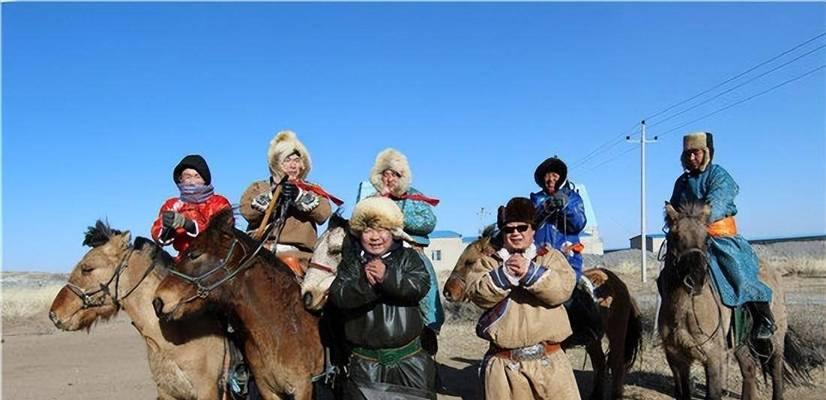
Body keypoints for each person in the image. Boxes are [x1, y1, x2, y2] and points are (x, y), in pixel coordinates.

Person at [465, 197, 579, 400]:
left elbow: (563, 290)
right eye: (509, 229)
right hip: (505, 368)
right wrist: (504, 275)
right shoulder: (488, 262)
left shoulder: (550, 257)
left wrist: (531, 272)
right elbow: (477, 294)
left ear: (533, 229)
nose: (516, 233)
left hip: (551, 364)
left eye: (522, 227)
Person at [669, 131, 775, 340]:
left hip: (720, 236)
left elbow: (717, 203)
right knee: (668, 273)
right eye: (688, 154)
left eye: (696, 153)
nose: (692, 158)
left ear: (707, 153)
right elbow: (674, 205)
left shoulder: (719, 175)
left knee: (737, 271)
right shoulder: (681, 182)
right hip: (691, 239)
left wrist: (697, 219)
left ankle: (764, 318)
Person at [329, 197, 435, 399]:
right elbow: (338, 296)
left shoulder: (409, 258)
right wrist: (366, 284)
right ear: (359, 234)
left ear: (393, 232)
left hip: (410, 361)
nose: (375, 237)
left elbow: (420, 286)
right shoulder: (351, 264)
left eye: (382, 230)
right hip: (364, 364)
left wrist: (387, 277)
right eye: (368, 230)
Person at [357, 148, 444, 354]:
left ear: (402, 177)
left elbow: (429, 222)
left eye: (394, 174)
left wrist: (396, 215)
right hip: (376, 254)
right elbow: (359, 222)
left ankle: (430, 326)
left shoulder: (414, 196)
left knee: (426, 286)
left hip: (410, 250)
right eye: (385, 174)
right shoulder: (370, 198)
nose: (389, 179)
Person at [239, 130, 341, 274]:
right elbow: (247, 212)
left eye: (297, 160)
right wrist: (272, 196)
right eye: (287, 160)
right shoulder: (259, 187)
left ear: (303, 164)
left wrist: (299, 196)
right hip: (259, 249)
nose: (292, 165)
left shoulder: (313, 189)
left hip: (298, 256)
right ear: (276, 163)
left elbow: (324, 214)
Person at [151, 154, 232, 256]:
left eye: (197, 176)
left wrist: (190, 225)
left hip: (214, 259)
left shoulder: (219, 202)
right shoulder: (172, 205)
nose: (192, 181)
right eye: (187, 177)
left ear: (204, 179)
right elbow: (157, 234)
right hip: (184, 260)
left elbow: (225, 232)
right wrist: (166, 230)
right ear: (180, 179)